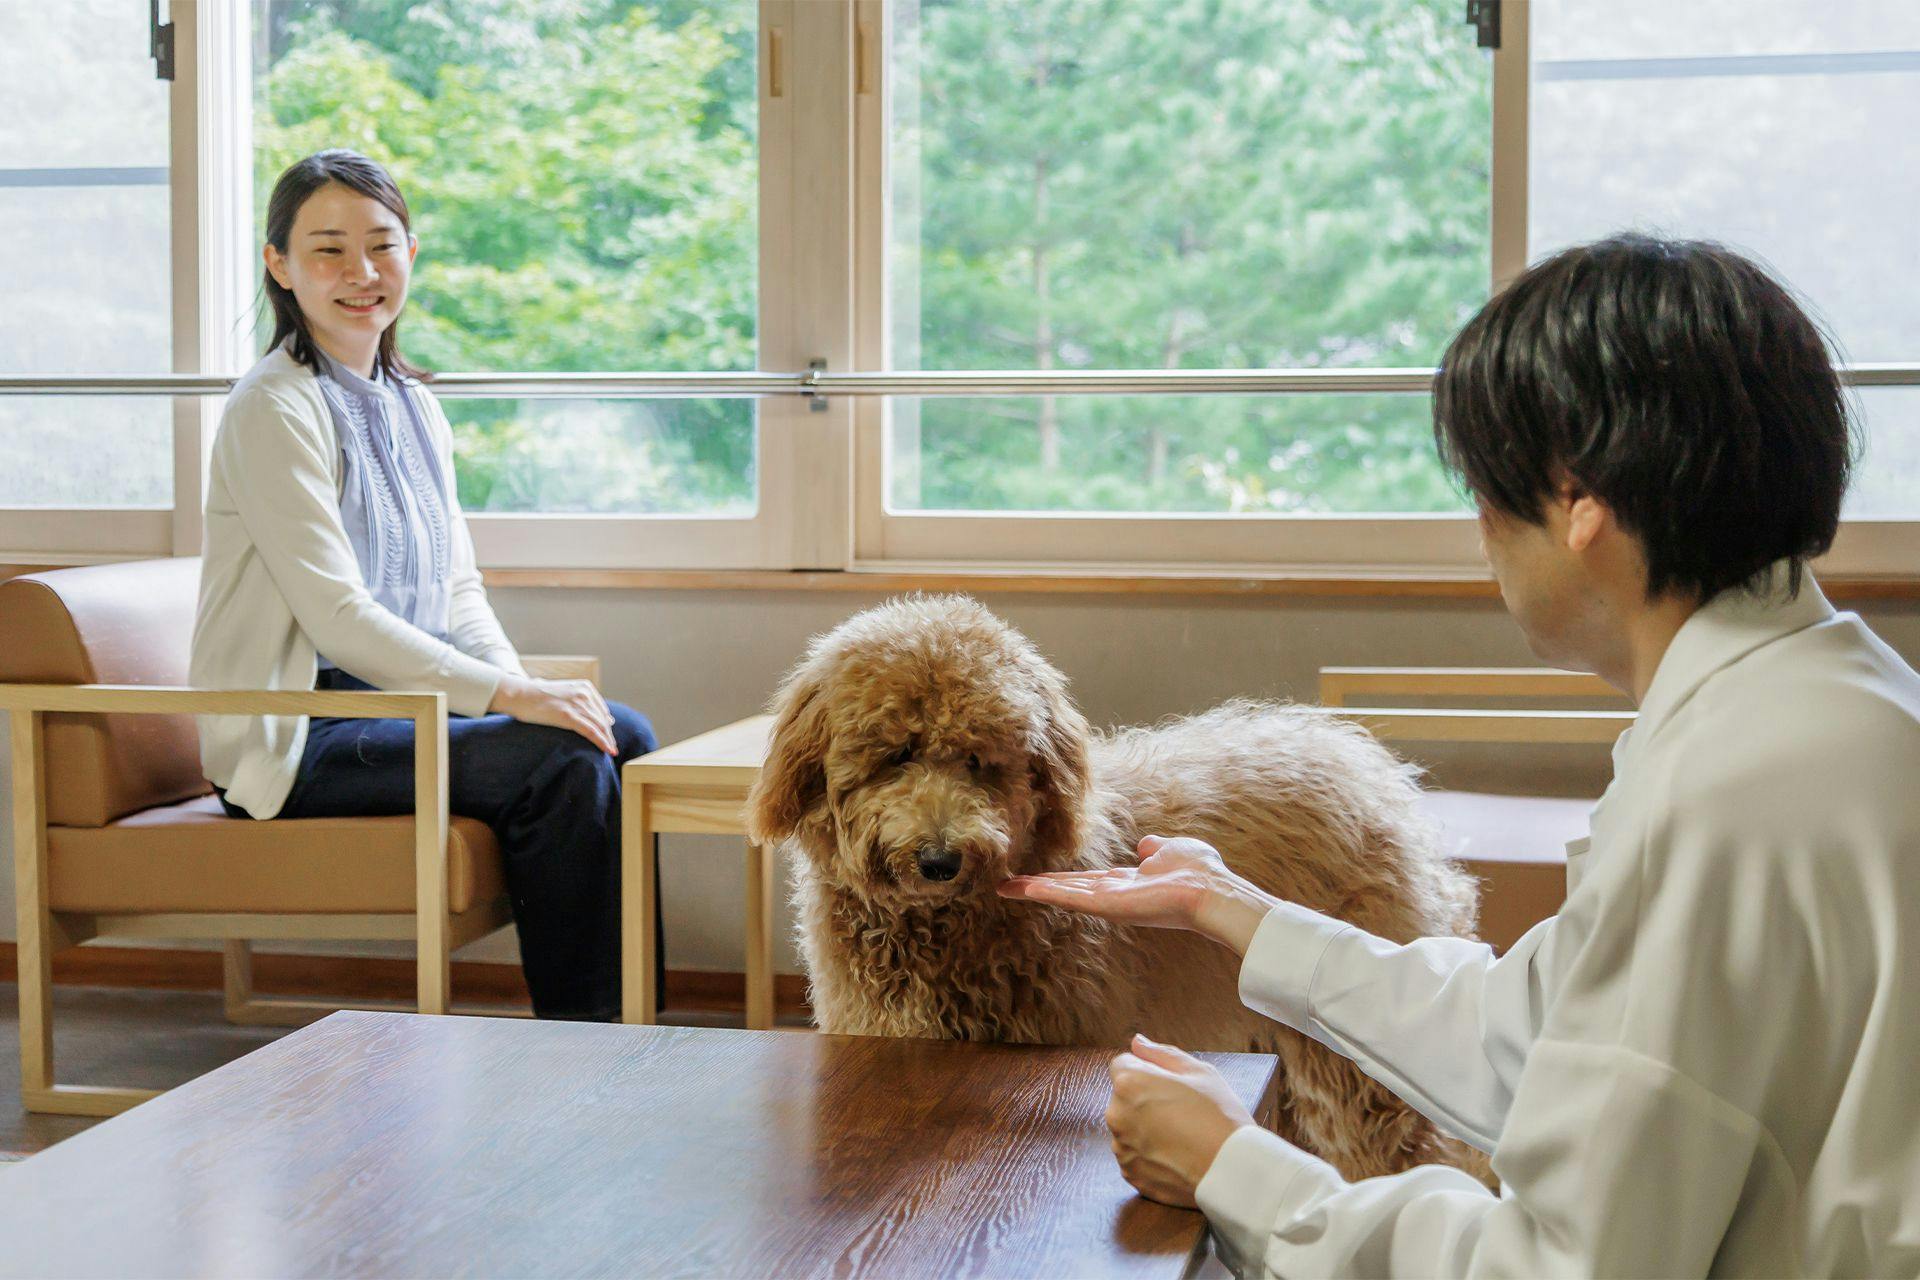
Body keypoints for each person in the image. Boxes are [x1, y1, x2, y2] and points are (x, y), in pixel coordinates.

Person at [999, 235, 1920, 1276]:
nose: (1477, 531)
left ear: (1578, 500)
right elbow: (1543, 1034)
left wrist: (1237, 1170)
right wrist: (1234, 909)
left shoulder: (1722, 800)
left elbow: (1556, 1266)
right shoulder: (1839, 706)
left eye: (1485, 492)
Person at [191, 149, 656, 1021]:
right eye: (327, 250)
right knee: (559, 760)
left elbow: (456, 589)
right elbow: (336, 619)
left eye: (382, 245)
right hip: (303, 732)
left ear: (413, 253)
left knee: (618, 731)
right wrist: (511, 697)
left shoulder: (412, 401)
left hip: (398, 706)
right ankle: (589, 1044)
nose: (361, 273)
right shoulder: (273, 408)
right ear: (279, 265)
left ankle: (634, 1023)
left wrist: (524, 690)